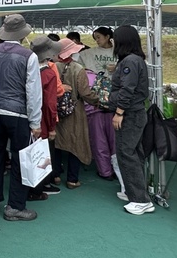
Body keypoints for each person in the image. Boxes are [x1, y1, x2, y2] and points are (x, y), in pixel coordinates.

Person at [0, 14, 42, 222]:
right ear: (23, 33)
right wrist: (35, 122)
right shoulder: (29, 56)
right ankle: (15, 206)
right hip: (18, 114)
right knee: (20, 160)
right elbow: (33, 92)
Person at [108, 25, 152, 215]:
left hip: (129, 114)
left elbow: (127, 89)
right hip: (134, 112)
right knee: (134, 152)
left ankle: (140, 200)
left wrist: (119, 112)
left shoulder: (130, 62)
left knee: (126, 153)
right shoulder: (135, 60)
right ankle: (136, 192)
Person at [53, 38, 101, 189]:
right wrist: (98, 100)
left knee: (56, 143)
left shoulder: (53, 66)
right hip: (75, 110)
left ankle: (55, 175)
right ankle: (72, 179)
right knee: (75, 142)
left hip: (56, 110)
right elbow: (85, 93)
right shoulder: (78, 69)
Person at [78, 27, 117, 180]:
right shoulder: (88, 54)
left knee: (105, 139)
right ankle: (107, 171)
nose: (96, 40)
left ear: (108, 37)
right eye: (95, 37)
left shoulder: (119, 54)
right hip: (99, 105)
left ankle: (109, 170)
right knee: (102, 139)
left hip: (107, 104)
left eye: (99, 37)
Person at [28, 37, 62, 201]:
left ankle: (27, 187)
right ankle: (38, 189)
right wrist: (51, 127)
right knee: (42, 156)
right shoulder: (49, 73)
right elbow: (49, 104)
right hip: (41, 121)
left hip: (25, 118)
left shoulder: (26, 68)